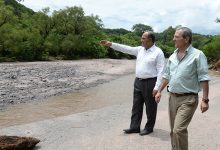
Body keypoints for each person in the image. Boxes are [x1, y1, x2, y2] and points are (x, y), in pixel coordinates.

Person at [100, 31, 165, 136]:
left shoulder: (158, 52)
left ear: (150, 40)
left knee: (150, 107)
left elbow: (161, 71)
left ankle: (149, 128)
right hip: (138, 81)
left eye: (143, 38)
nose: (141, 40)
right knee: (136, 106)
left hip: (150, 82)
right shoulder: (140, 50)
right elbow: (126, 48)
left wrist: (157, 87)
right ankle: (134, 127)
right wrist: (111, 44)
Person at [155, 27, 210, 150]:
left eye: (176, 36)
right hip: (172, 98)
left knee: (178, 130)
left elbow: (204, 77)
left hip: (188, 99)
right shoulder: (173, 56)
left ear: (186, 39)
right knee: (173, 131)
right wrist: (159, 91)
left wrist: (205, 100)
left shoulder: (198, 55)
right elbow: (166, 76)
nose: (173, 38)